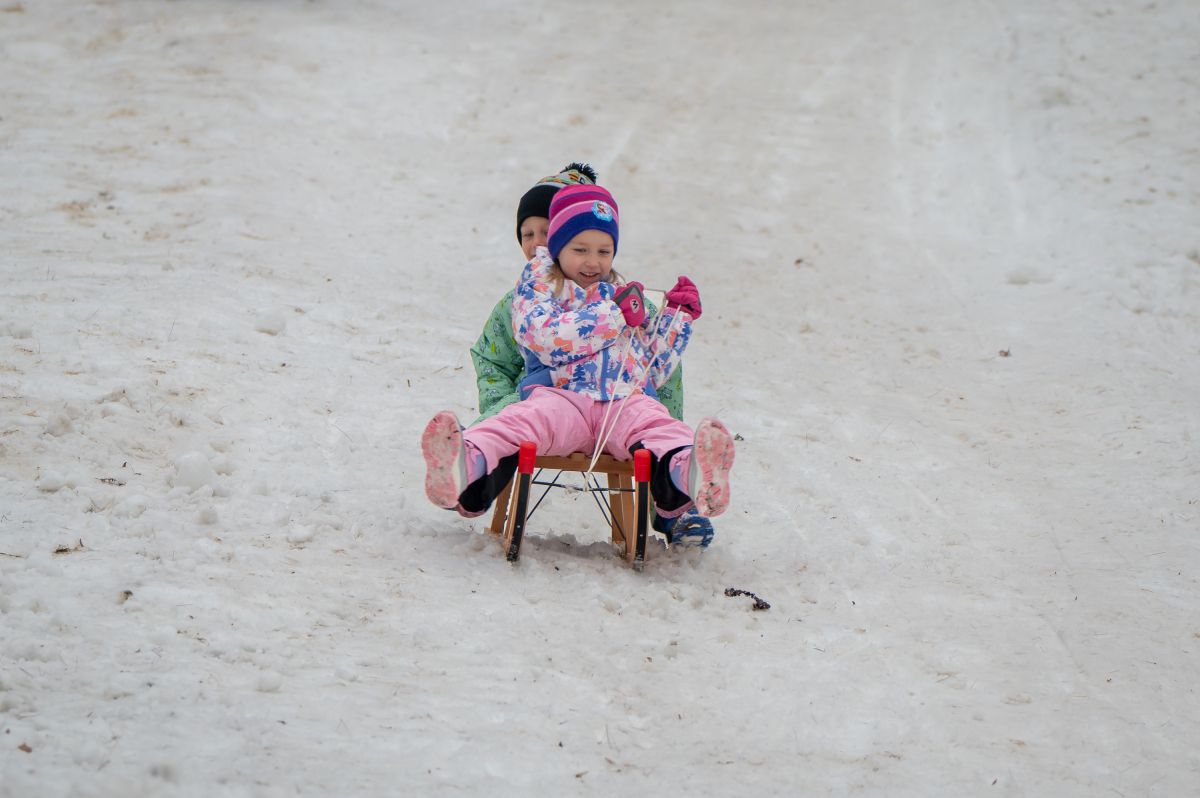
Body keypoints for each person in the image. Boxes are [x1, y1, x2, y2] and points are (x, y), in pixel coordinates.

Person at [423, 184, 735, 536]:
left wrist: (676, 320)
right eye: (580, 249)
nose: (593, 261)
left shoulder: (621, 295)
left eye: (604, 251)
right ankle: (464, 465)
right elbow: (546, 338)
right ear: (558, 248)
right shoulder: (539, 289)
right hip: (561, 399)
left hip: (622, 403)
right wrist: (614, 315)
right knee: (515, 423)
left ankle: (693, 474)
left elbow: (651, 368)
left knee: (663, 430)